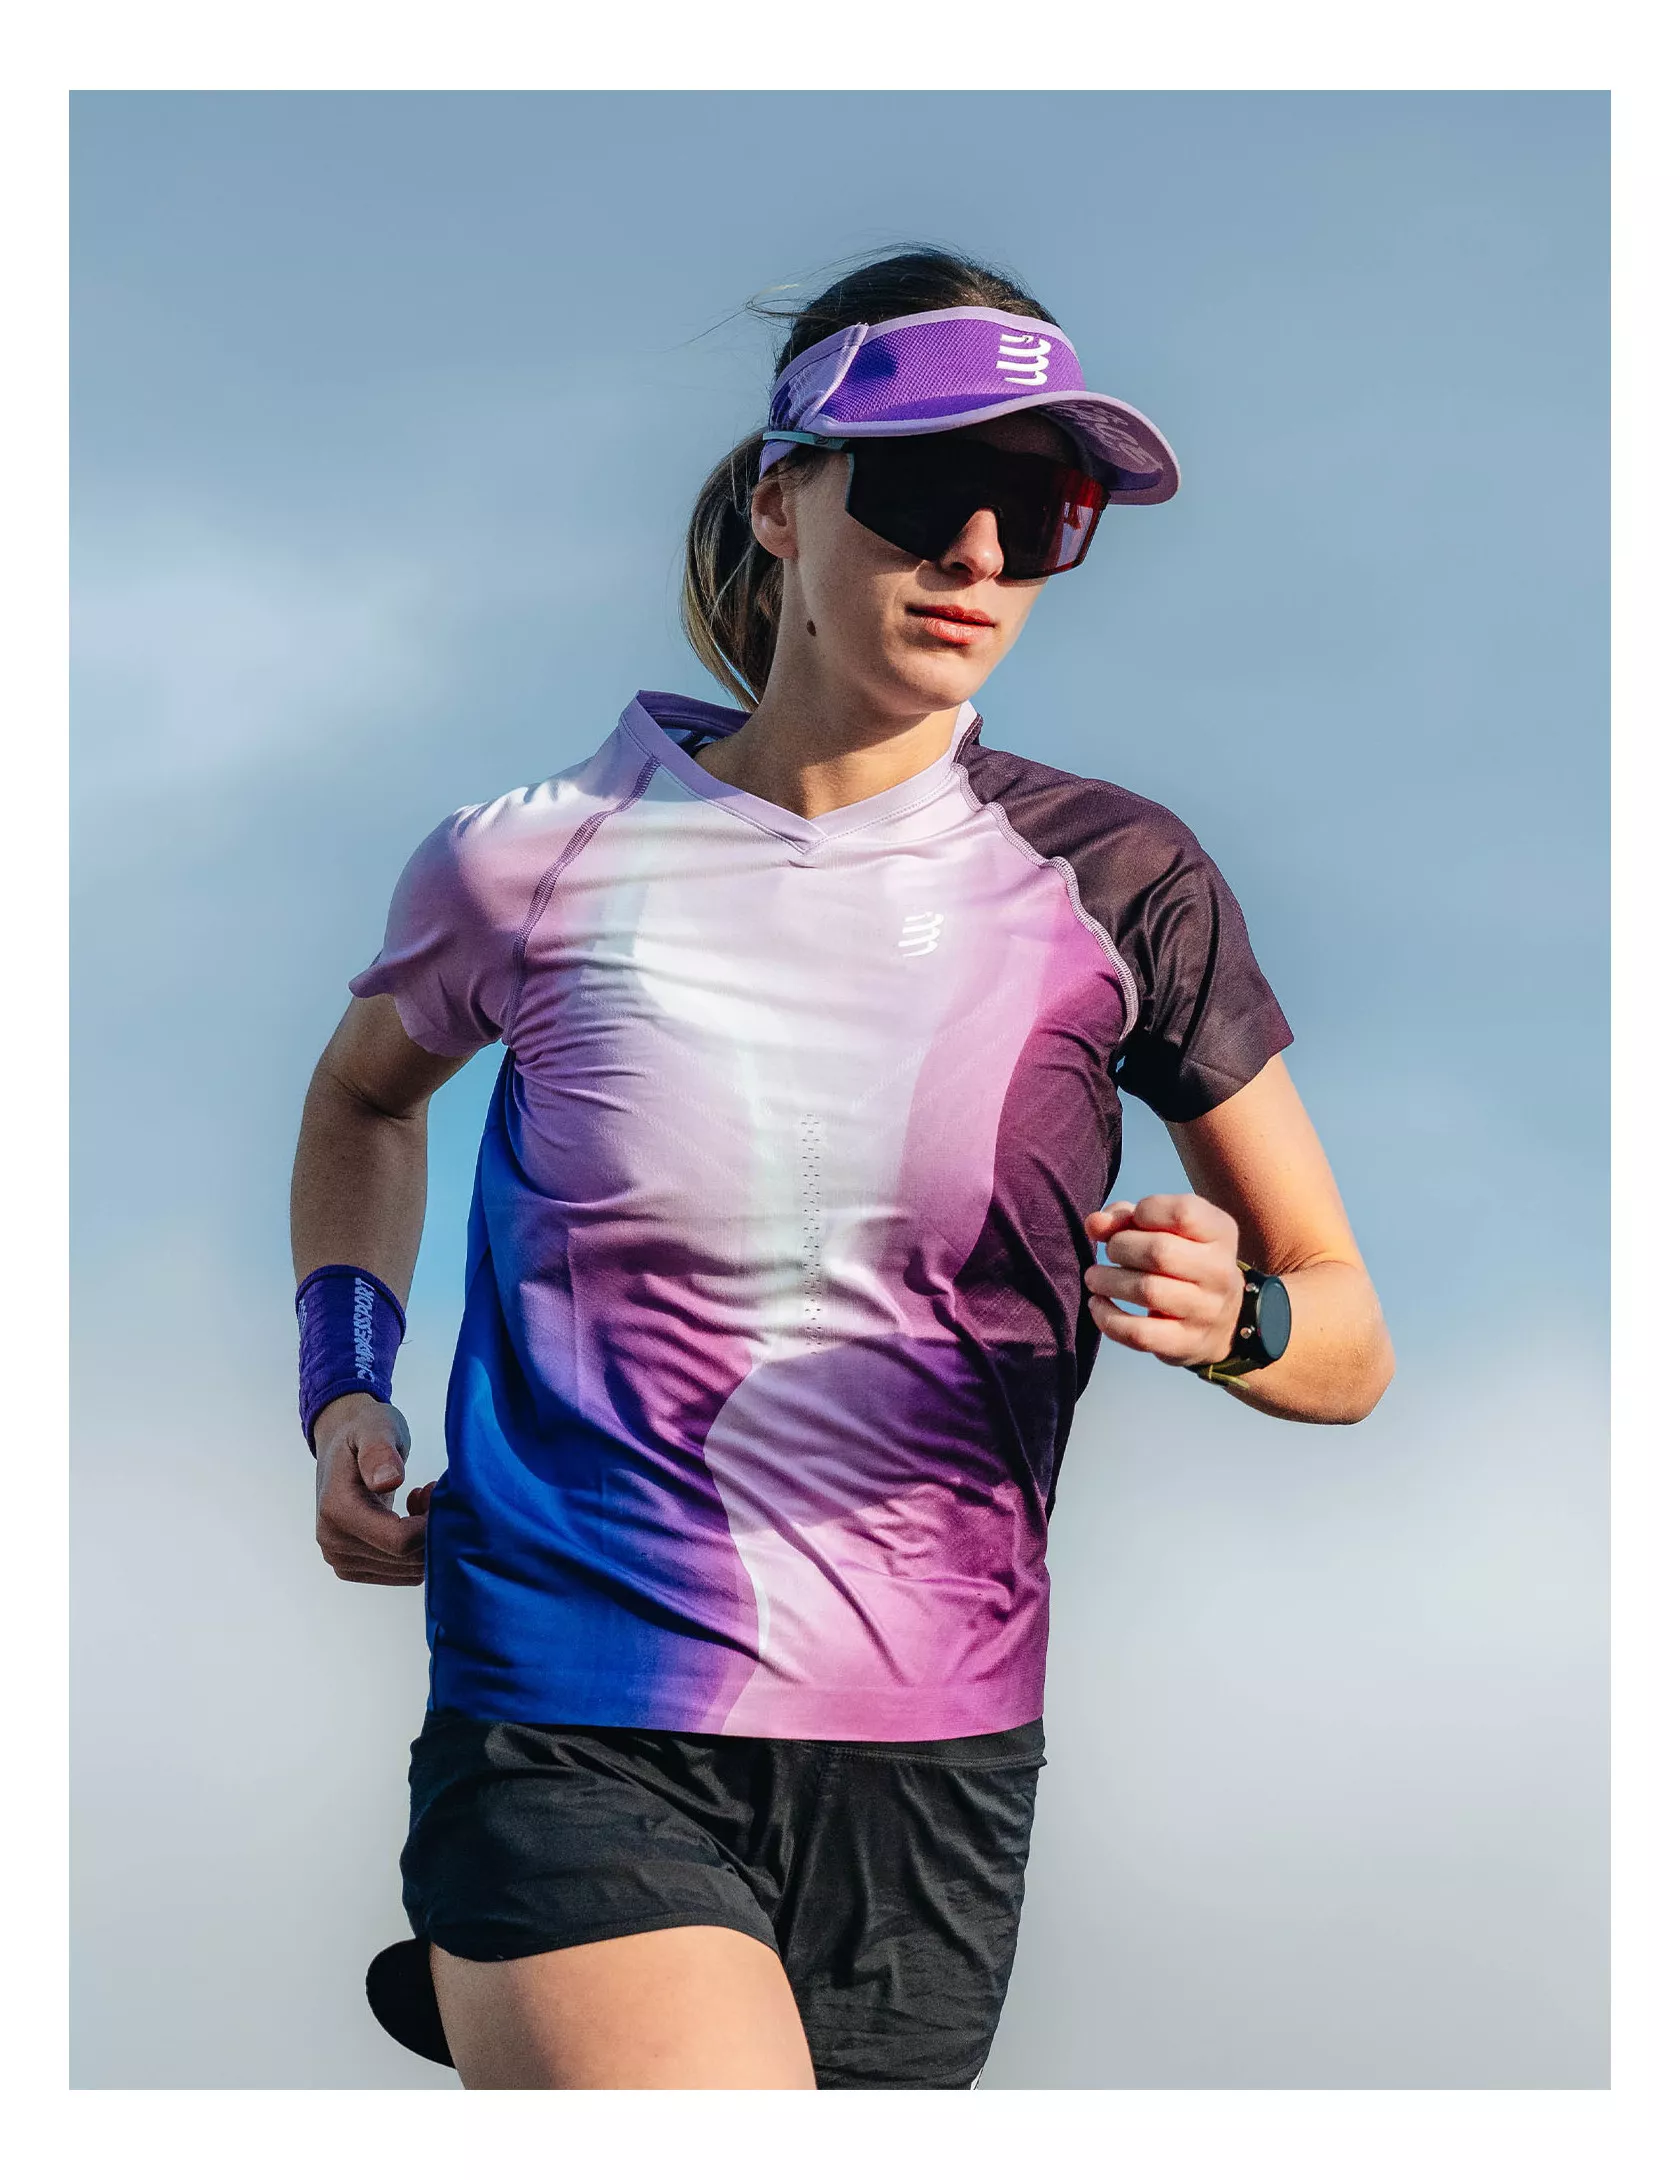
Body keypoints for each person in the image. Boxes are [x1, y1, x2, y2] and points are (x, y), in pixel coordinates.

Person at [289, 246, 1394, 2092]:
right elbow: (364, 1102)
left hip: (939, 1756)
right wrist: (341, 1382)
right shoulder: (531, 863)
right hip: (572, 1702)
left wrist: (1241, 1322)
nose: (978, 551)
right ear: (780, 501)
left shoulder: (1120, 881)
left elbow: (1349, 1341)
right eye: (923, 484)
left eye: (1040, 512)